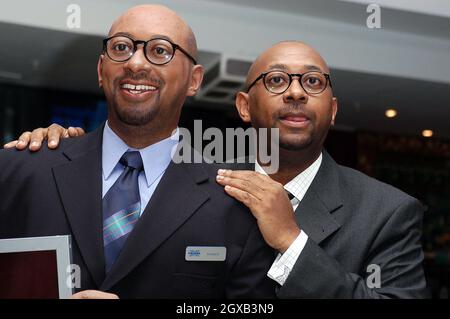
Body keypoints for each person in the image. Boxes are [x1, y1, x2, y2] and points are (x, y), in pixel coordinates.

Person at [16, 41, 429, 299]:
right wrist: (61, 146)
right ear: (244, 108)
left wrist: (291, 242)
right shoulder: (191, 177)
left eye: (314, 83)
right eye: (277, 80)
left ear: (333, 111)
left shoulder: (387, 211)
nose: (298, 93)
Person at [0, 5, 276, 299]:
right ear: (100, 70)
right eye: (121, 47)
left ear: (194, 80)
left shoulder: (234, 207)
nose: (135, 63)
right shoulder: (19, 169)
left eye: (160, 51)